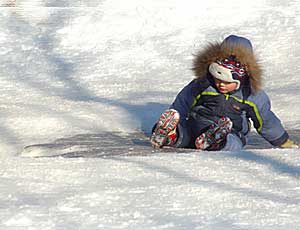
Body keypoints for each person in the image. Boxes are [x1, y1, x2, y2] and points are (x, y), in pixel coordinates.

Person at [150, 35, 299, 151]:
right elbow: (183, 103)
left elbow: (266, 121)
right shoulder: (203, 85)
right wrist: (177, 119)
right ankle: (170, 135)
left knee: (234, 142)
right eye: (217, 79)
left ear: (242, 78)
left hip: (230, 130)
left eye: (227, 82)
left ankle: (218, 142)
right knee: (186, 134)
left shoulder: (252, 95)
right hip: (197, 124)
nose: (220, 84)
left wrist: (282, 141)